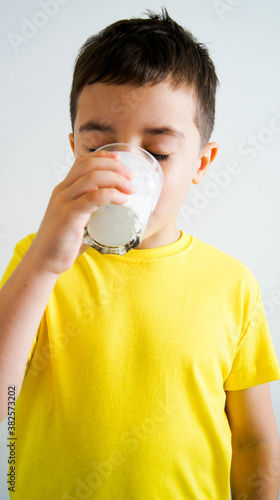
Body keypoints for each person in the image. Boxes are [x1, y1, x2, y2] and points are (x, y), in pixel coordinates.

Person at [0, 7, 280, 500]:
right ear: (73, 152)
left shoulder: (232, 284)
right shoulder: (36, 262)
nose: (125, 173)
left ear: (201, 162)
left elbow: (255, 443)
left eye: (160, 152)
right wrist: (45, 260)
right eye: (98, 148)